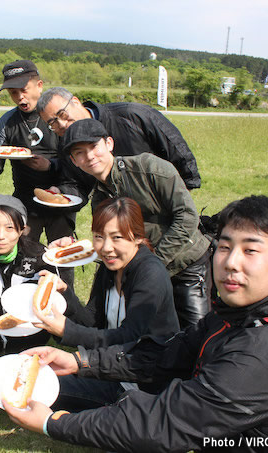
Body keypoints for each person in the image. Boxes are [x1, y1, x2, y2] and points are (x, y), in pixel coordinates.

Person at [5, 195, 268, 452]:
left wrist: (54, 424)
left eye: (251, 250)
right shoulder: (233, 315)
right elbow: (166, 355)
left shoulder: (265, 353)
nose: (231, 262)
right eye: (223, 247)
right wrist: (81, 362)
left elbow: (163, 423)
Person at [61, 118, 211, 328]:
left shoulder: (150, 168)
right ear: (74, 161)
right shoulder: (99, 199)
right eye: (79, 152)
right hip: (144, 270)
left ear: (109, 144)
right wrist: (73, 249)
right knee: (145, 334)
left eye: (94, 146)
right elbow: (112, 242)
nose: (89, 156)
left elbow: (187, 217)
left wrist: (154, 264)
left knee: (197, 334)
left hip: (186, 264)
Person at [35, 197, 179, 411]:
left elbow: (128, 338)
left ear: (137, 237)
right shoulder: (110, 268)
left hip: (144, 382)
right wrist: (65, 292)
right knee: (38, 381)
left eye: (117, 237)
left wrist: (68, 330)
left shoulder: (150, 275)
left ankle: (126, 411)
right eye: (99, 237)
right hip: (110, 368)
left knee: (43, 391)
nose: (106, 248)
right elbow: (93, 320)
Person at [0, 195, 72, 355]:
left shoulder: (39, 256)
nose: (0, 236)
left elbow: (55, 297)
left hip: (29, 328)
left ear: (22, 229)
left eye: (10, 228)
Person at [36, 86, 201, 195]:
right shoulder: (67, 143)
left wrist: (182, 192)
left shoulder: (132, 115)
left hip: (159, 198)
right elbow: (76, 183)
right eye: (52, 123)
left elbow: (176, 148)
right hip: (118, 216)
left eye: (62, 114)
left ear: (76, 102)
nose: (62, 124)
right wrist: (60, 192)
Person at [0, 60, 78, 249]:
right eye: (13, 93)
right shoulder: (6, 123)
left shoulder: (59, 118)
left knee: (61, 257)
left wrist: (51, 165)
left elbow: (77, 162)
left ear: (39, 86)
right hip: (24, 201)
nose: (20, 97)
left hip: (60, 198)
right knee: (24, 256)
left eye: (24, 90)